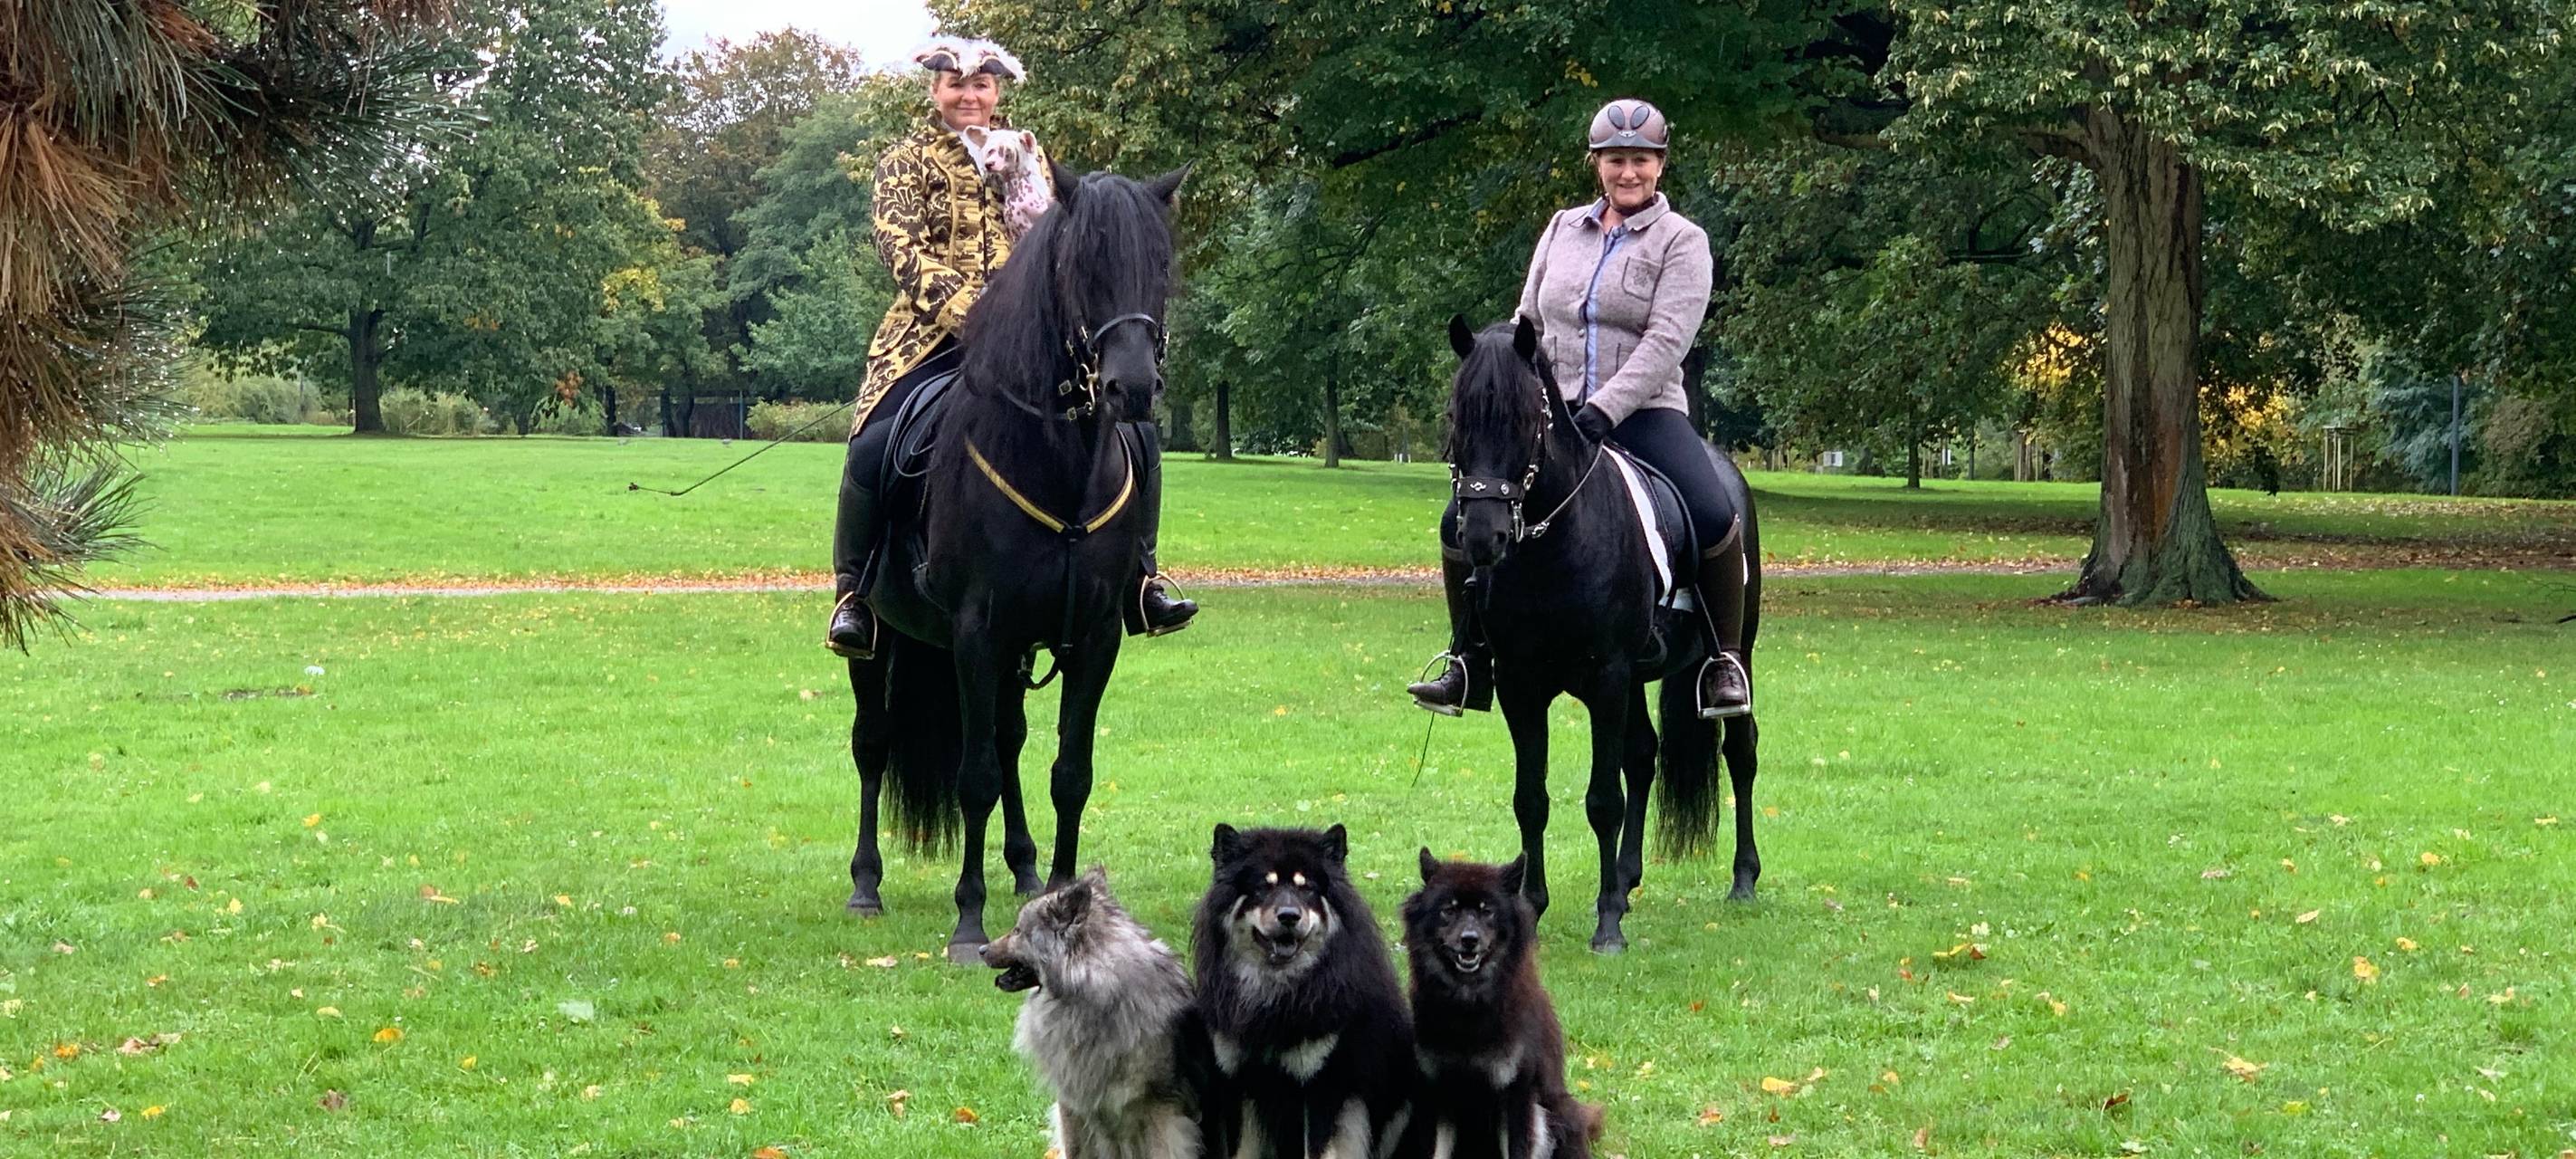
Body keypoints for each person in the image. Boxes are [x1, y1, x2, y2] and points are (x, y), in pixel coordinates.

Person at [826, 38, 1196, 658]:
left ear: (997, 91)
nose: (969, 96)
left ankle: (1140, 580)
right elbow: (900, 250)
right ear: (935, 90)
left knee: (1133, 435)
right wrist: (976, 313)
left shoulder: (1029, 155)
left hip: (1029, 341)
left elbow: (1059, 247)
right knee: (873, 442)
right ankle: (854, 594)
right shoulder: (905, 161)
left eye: (981, 85)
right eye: (956, 84)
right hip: (926, 339)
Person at [1407, 98, 1752, 719]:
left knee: (1711, 510)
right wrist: (1505, 379)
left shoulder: (1683, 242)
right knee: (1458, 516)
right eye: (1616, 160)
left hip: (1646, 414)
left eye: (1641, 160)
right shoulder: (1562, 229)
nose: (1629, 172)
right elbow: (1528, 323)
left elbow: (1666, 342)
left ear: (1661, 164)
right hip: (1553, 420)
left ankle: (1723, 660)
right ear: (1597, 164)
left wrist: (1603, 410)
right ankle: (1469, 661)